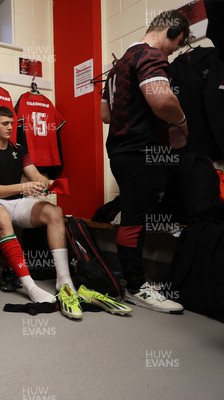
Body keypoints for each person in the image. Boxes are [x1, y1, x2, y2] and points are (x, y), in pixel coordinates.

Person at [100, 10, 190, 313]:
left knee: (133, 216)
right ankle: (137, 286)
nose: (173, 50)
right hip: (142, 152)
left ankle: (132, 280)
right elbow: (162, 100)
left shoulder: (117, 67)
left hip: (120, 152)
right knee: (135, 220)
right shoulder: (150, 55)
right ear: (171, 31)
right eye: (176, 44)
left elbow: (105, 115)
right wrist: (181, 121)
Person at [0, 106, 82, 319]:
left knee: (55, 212)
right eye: (5, 123)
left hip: (18, 202)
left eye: (12, 124)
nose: (10, 127)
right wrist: (23, 187)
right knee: (3, 218)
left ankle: (64, 279)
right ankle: (30, 286)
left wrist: (49, 183)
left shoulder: (19, 148)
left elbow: (34, 175)